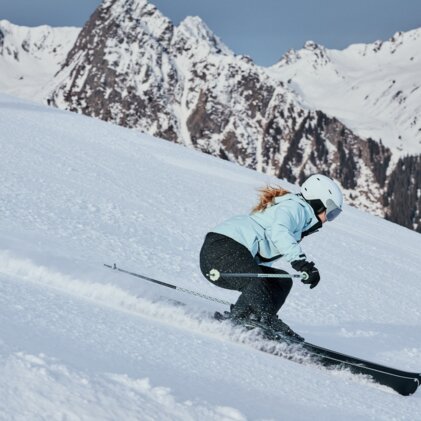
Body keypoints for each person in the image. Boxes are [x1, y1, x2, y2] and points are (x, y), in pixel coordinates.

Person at [199, 174, 343, 341]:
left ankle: (245, 318)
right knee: (256, 281)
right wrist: (302, 264)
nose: (329, 219)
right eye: (331, 212)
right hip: (223, 248)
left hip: (227, 253)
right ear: (318, 202)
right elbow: (279, 232)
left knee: (280, 281)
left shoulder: (299, 215)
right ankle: (264, 321)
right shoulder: (295, 208)